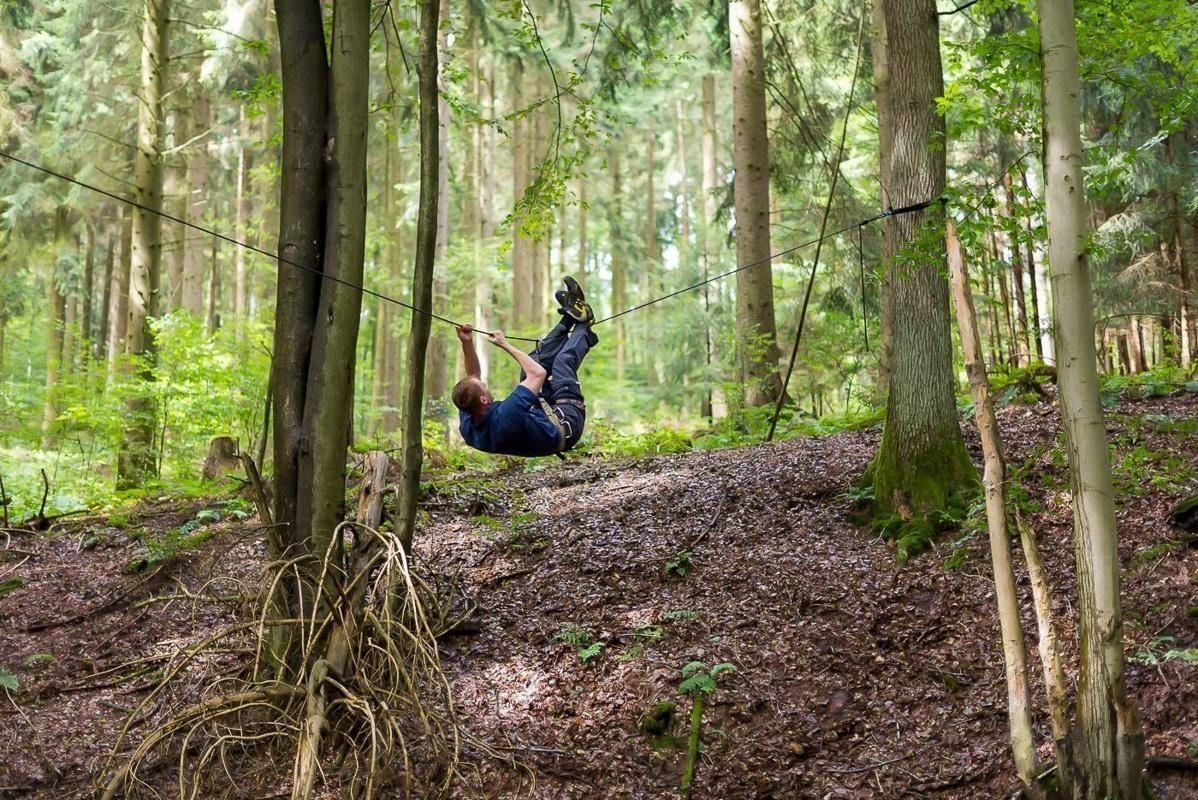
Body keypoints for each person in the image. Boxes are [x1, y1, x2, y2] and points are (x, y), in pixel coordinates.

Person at [452, 277, 598, 458]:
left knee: (533, 360)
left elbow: (473, 375)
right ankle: (584, 322)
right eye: (484, 386)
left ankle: (570, 316)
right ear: (483, 399)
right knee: (562, 363)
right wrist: (504, 344)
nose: (485, 385)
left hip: (540, 416)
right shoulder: (506, 414)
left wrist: (466, 342)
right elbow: (538, 374)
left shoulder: (469, 414)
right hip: (567, 423)